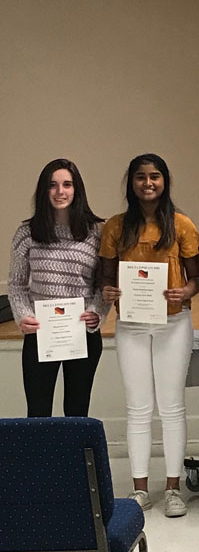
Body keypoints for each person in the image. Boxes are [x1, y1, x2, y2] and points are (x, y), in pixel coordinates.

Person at [100, 153, 199, 518]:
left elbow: (197, 279)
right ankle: (140, 488)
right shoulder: (115, 227)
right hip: (130, 325)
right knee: (138, 408)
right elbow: (106, 277)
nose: (148, 183)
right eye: (141, 177)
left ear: (165, 181)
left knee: (172, 406)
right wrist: (108, 292)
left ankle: (173, 488)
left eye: (155, 176)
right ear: (131, 182)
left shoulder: (181, 225)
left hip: (173, 324)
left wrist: (186, 293)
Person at [8, 158, 109, 418]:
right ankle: (41, 461)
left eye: (67, 184)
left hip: (82, 332)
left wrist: (97, 312)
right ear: (44, 190)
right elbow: (17, 284)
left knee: (77, 412)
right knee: (38, 413)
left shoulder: (97, 232)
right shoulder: (26, 233)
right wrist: (22, 316)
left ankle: (73, 461)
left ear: (77, 190)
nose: (60, 191)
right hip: (41, 334)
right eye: (52, 185)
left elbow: (105, 282)